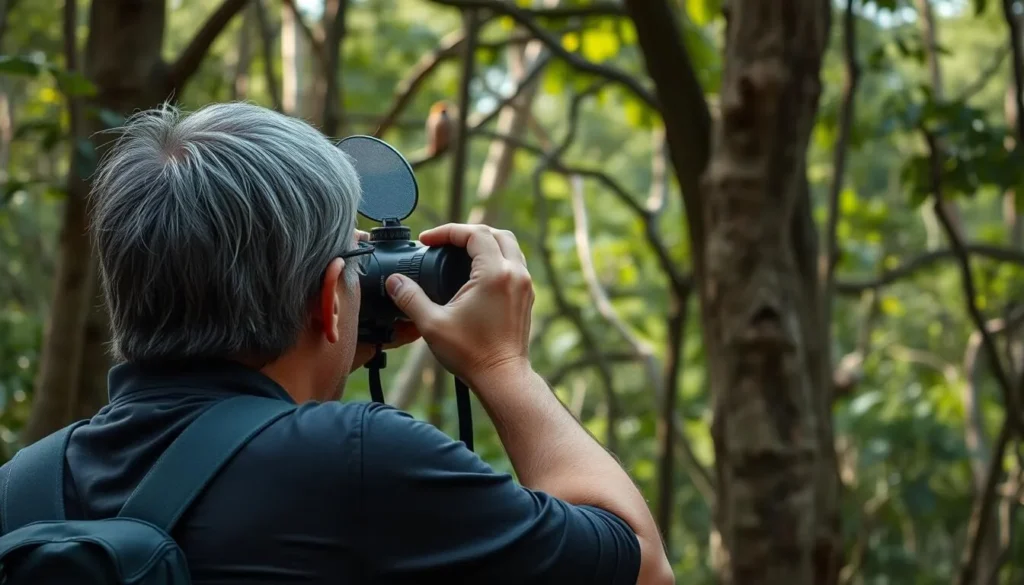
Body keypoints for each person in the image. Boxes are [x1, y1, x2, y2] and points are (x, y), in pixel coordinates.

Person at [25, 102, 674, 584]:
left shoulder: (24, 486)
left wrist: (323, 348)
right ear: (332, 296)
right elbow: (641, 566)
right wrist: (501, 363)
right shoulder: (358, 459)